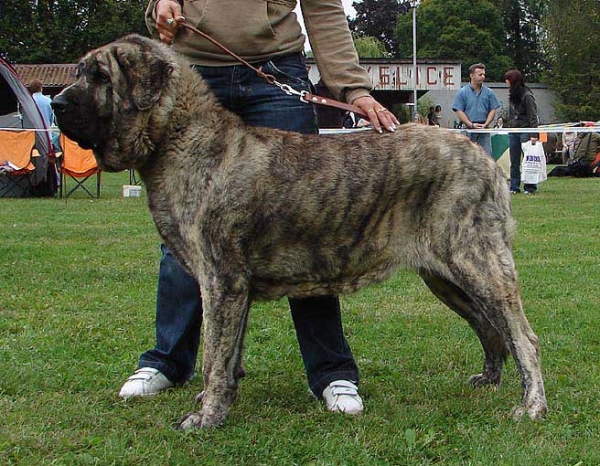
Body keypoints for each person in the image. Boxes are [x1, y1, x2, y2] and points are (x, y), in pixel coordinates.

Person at [119, 0, 399, 416]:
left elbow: (323, 10)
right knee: (188, 227)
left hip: (275, 74)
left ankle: (331, 372)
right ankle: (168, 361)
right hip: (193, 71)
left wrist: (353, 89)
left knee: (305, 223)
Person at [452, 63, 501, 156]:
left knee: (487, 157)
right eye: (480, 74)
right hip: (467, 130)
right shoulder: (462, 92)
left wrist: (486, 124)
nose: (483, 77)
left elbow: (493, 109)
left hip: (484, 130)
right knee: (466, 157)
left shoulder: (489, 92)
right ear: (471, 76)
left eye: (484, 75)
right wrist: (470, 124)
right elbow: (459, 111)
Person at [504, 69, 539, 194]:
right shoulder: (512, 96)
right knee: (514, 160)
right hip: (513, 130)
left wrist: (534, 134)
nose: (506, 82)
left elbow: (533, 116)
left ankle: (530, 186)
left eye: (508, 79)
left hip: (525, 130)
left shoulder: (527, 96)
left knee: (528, 161)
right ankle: (514, 186)